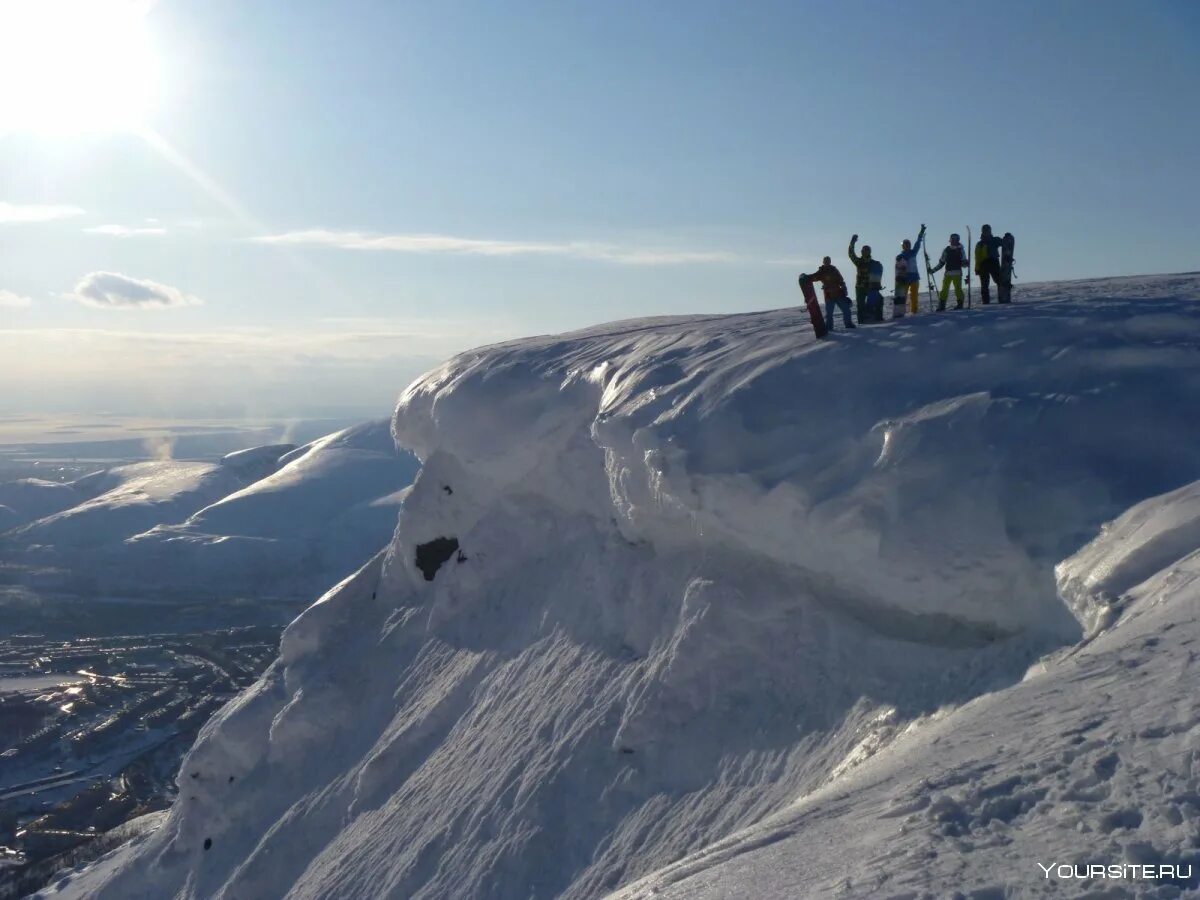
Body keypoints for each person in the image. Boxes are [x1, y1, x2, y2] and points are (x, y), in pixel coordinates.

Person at [805, 256, 855, 331]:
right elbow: (813, 277)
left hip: (839, 294)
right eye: (825, 261)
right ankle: (829, 328)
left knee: (846, 310)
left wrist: (844, 287)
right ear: (823, 262)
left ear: (830, 261)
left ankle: (849, 324)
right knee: (829, 314)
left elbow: (841, 280)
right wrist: (806, 277)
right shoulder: (821, 272)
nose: (827, 262)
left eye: (828, 261)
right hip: (829, 296)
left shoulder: (834, 270)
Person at [848, 235, 884, 322]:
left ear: (869, 252)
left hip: (870, 287)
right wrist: (852, 242)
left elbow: (878, 273)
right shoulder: (858, 262)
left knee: (879, 299)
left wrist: (877, 285)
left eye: (865, 250)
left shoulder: (874, 263)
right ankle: (861, 321)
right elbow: (851, 253)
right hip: (860, 287)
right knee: (860, 305)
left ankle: (878, 317)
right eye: (863, 250)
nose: (863, 252)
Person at [893, 225, 926, 317]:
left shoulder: (913, 252)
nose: (907, 246)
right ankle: (901, 311)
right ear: (903, 246)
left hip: (914, 277)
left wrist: (921, 232)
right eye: (905, 245)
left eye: (908, 244)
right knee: (903, 295)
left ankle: (914, 311)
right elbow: (898, 267)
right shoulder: (901, 256)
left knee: (914, 296)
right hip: (905, 278)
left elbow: (918, 242)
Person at [929, 232, 968, 310]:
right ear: (950, 240)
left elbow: (963, 263)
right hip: (948, 273)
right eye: (952, 240)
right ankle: (942, 305)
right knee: (944, 289)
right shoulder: (947, 250)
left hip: (957, 272)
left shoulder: (960, 250)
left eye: (955, 240)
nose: (954, 241)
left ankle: (960, 303)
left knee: (957, 289)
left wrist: (966, 263)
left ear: (958, 240)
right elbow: (942, 262)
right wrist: (933, 270)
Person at [974, 224, 1005, 304]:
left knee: (999, 281)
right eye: (985, 231)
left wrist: (1007, 238)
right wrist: (977, 268)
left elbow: (1003, 243)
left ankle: (1002, 297)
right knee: (984, 284)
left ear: (990, 231)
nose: (986, 232)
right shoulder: (979, 244)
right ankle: (986, 301)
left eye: (987, 230)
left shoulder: (994, 240)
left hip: (993, 262)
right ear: (982, 232)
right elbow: (977, 257)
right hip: (983, 264)